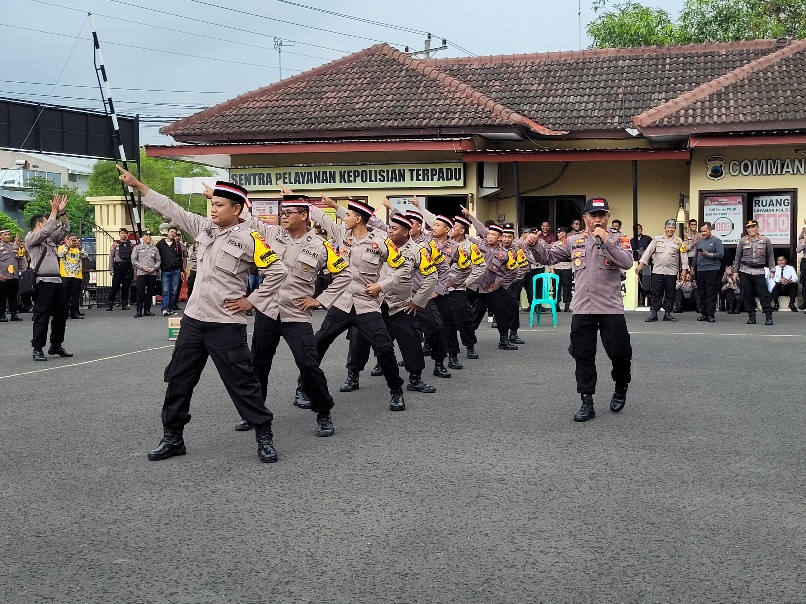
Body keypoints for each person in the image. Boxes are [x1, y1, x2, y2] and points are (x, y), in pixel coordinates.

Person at [117, 167, 289, 463]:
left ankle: (264, 435)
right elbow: (170, 208)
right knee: (179, 380)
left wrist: (252, 302)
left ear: (237, 210)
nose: (213, 209)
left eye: (219, 205)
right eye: (212, 204)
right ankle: (173, 437)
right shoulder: (203, 228)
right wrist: (138, 186)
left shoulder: (251, 239)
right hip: (194, 321)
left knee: (242, 382)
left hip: (225, 324)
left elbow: (277, 271)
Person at [239, 191, 352, 436]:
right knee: (258, 365)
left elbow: (344, 275)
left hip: (296, 315)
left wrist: (320, 301)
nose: (284, 216)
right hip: (267, 311)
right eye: (283, 212)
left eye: (289, 213)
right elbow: (248, 218)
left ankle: (323, 413)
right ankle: (254, 414)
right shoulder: (272, 235)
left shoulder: (321, 246)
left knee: (309, 365)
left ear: (304, 215)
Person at [523, 197, 633, 422]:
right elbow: (548, 256)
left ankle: (621, 386)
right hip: (583, 307)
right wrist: (535, 244)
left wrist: (606, 241)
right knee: (583, 355)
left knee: (620, 354)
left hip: (610, 307)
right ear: (585, 218)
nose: (598, 219)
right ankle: (587, 401)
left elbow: (628, 262)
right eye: (593, 215)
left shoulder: (618, 239)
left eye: (602, 215)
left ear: (608, 217)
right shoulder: (574, 240)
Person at [307, 197, 408, 411]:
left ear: (358, 218)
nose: (344, 219)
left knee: (385, 348)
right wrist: (297, 199)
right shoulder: (342, 235)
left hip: (366, 304)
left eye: (349, 216)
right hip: (342, 303)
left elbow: (403, 268)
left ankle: (396, 392)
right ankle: (304, 388)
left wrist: (382, 285)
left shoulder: (381, 240)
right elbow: (323, 218)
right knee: (317, 344)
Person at [346, 212, 438, 394]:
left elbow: (431, 275)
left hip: (399, 305)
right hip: (370, 304)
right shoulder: (377, 244)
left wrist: (417, 302)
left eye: (394, 229)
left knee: (412, 339)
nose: (389, 231)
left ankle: (415, 378)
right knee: (358, 339)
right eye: (389, 228)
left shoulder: (418, 251)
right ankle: (353, 375)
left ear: (406, 232)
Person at [25, 195, 72, 361]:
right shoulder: (31, 238)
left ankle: (56, 345)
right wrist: (53, 211)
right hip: (43, 282)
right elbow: (47, 230)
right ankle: (37, 348)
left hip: (57, 281)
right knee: (41, 316)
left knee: (60, 315)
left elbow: (64, 229)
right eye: (45, 221)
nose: (48, 223)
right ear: (39, 224)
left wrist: (62, 213)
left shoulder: (49, 240)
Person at [636, 219, 688, 322]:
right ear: (665, 228)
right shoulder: (657, 239)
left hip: (671, 272)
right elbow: (648, 251)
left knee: (670, 293)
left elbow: (684, 255)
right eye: (668, 227)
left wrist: (684, 269)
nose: (670, 230)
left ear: (675, 229)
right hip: (658, 271)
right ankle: (654, 313)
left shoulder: (679, 241)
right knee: (656, 292)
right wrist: (641, 264)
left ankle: (667, 313)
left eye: (672, 228)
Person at [733, 219, 775, 325]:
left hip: (759, 270)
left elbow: (770, 256)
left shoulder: (765, 240)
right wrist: (735, 272)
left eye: (753, 227)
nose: (751, 229)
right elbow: (737, 257)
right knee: (747, 294)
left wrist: (772, 270)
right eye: (748, 228)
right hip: (745, 270)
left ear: (757, 228)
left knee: (763, 294)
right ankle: (751, 316)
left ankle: (768, 316)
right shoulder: (742, 241)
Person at [690, 222, 724, 323]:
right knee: (702, 292)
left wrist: (708, 254)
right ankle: (703, 313)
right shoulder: (700, 242)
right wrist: (692, 268)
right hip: (700, 270)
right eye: (701, 231)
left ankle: (710, 314)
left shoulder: (716, 241)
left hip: (712, 270)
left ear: (710, 230)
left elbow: (721, 254)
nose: (703, 233)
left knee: (711, 292)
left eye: (705, 231)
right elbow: (696, 256)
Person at [57, 233, 88, 320]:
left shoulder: (78, 249)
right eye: (72, 240)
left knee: (75, 295)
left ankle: (75, 312)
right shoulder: (62, 247)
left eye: (75, 240)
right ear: (67, 240)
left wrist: (80, 247)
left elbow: (85, 255)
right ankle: (65, 313)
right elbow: (60, 254)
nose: (74, 242)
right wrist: (68, 246)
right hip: (65, 275)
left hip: (77, 275)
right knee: (65, 295)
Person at [131, 231, 161, 318]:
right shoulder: (137, 248)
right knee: (140, 291)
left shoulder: (154, 249)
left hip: (152, 273)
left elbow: (158, 260)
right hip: (141, 273)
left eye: (149, 236)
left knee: (150, 291)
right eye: (146, 236)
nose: (148, 237)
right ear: (143, 238)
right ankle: (139, 310)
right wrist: (142, 267)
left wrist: (154, 268)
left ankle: (147, 310)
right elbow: (133, 260)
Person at [156, 226, 184, 316]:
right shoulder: (160, 243)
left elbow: (180, 258)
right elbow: (157, 257)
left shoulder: (177, 245)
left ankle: (171, 308)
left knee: (174, 290)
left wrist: (182, 270)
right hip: (165, 270)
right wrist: (157, 269)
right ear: (167, 232)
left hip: (176, 270)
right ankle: (165, 308)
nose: (173, 234)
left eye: (174, 233)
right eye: (171, 232)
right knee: (165, 290)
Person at [0, 228, 26, 322]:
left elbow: (21, 258)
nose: (7, 236)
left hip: (14, 275)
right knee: (2, 296)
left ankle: (14, 314)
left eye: (8, 234)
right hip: (3, 276)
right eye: (5, 234)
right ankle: (1, 314)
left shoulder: (15, 247)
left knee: (13, 295)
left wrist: (23, 271)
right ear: (0, 236)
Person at [107, 228, 133, 311]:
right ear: (119, 234)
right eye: (122, 233)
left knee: (126, 286)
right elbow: (111, 256)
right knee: (115, 286)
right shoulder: (115, 244)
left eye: (125, 233)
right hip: (118, 266)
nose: (124, 235)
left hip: (127, 266)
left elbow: (133, 256)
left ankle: (124, 304)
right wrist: (111, 268)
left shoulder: (130, 244)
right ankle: (110, 304)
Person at [552, 227, 573, 312]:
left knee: (567, 285)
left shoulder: (570, 243)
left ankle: (567, 304)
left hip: (567, 266)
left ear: (564, 233)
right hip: (557, 266)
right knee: (556, 285)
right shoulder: (555, 244)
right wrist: (551, 267)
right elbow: (551, 256)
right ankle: (556, 303)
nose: (557, 234)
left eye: (559, 232)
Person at [631, 224, 652, 306]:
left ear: (642, 229)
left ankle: (647, 300)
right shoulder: (632, 240)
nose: (638, 230)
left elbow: (651, 249)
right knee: (637, 283)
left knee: (647, 282)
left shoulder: (647, 238)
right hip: (635, 264)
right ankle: (638, 300)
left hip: (646, 264)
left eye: (639, 229)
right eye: (636, 229)